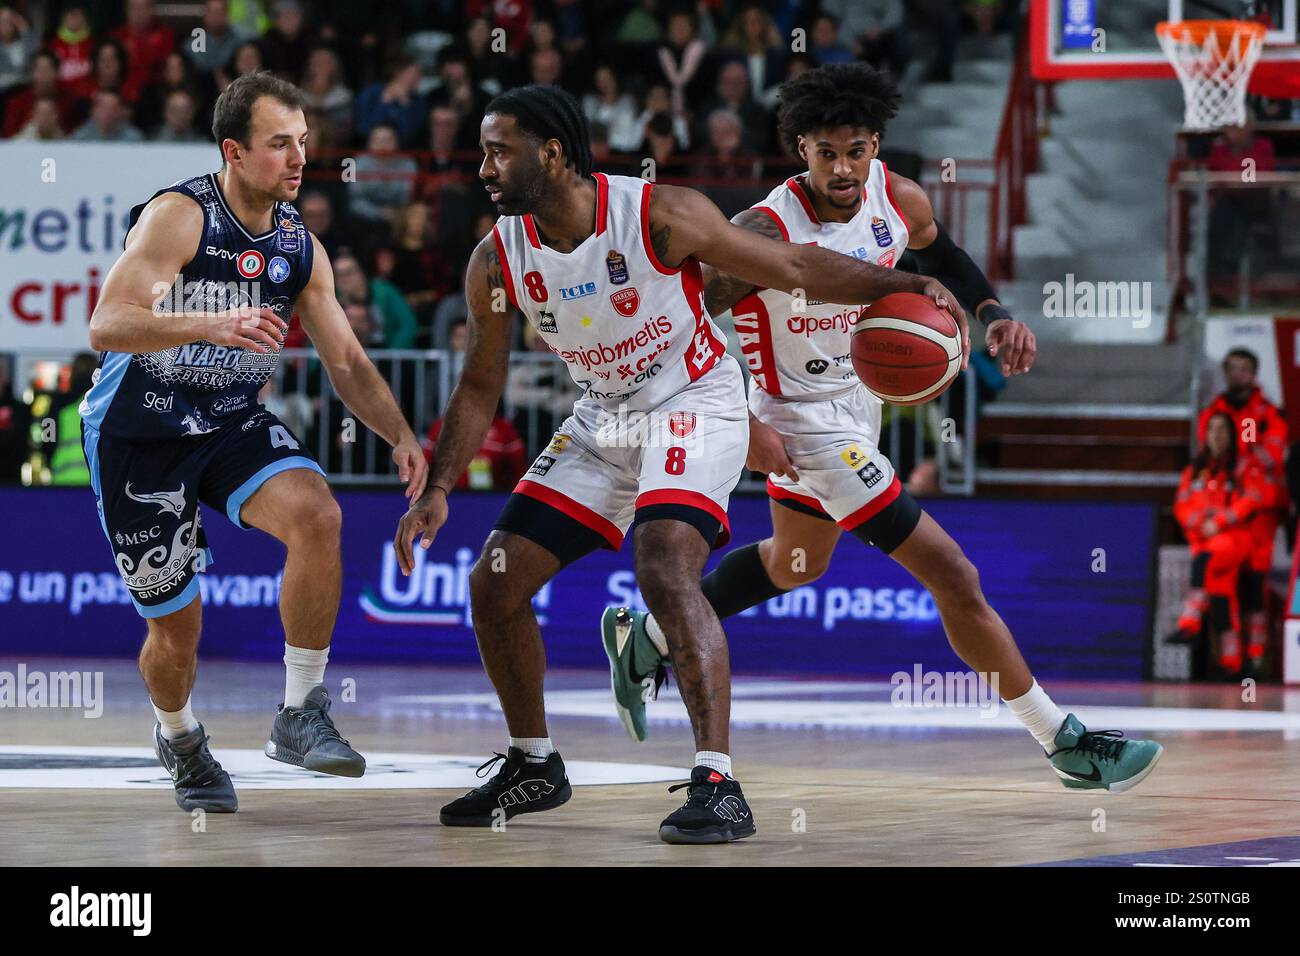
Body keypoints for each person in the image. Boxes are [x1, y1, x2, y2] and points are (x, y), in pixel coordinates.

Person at [393, 83, 962, 844]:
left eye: (499, 151)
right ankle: (534, 763)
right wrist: (436, 488)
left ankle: (718, 781)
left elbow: (791, 262)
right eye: (484, 154)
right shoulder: (496, 259)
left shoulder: (658, 212)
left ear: (552, 152)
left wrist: (907, 281)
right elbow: (479, 384)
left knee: (663, 563)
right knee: (493, 580)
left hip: (697, 397)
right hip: (606, 416)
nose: (485, 168)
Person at [599, 64, 1163, 795]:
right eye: (826, 151)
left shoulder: (897, 198)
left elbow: (942, 256)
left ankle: (640, 641)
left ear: (875, 145)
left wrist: (992, 316)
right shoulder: (762, 233)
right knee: (952, 573)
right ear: (800, 148)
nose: (843, 167)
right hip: (797, 421)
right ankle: (1065, 742)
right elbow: (670, 332)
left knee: (798, 564)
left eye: (856, 150)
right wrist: (737, 422)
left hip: (857, 403)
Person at [82, 71, 427, 814]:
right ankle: (179, 736)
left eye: (303, 141)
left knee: (320, 516)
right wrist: (207, 323)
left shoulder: (299, 246)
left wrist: (400, 435)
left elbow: (348, 362)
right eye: (280, 144)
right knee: (178, 638)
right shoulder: (179, 216)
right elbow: (107, 323)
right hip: (141, 434)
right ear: (234, 152)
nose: (299, 157)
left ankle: (300, 712)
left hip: (230, 421)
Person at [1196, 347, 1288, 668]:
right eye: (1232, 368)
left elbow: (1271, 456)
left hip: (1258, 514)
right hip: (1224, 513)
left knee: (1254, 583)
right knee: (1219, 582)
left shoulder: (1264, 413)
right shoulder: (1214, 412)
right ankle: (1228, 660)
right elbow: (1208, 455)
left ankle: (1256, 658)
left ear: (1254, 373)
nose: (1237, 374)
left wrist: (1242, 460)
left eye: (1243, 368)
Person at [1168, 411, 1266, 677]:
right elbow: (1182, 505)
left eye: (1222, 429)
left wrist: (1220, 521)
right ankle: (1232, 662)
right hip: (1203, 540)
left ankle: (1190, 618)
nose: (1216, 434)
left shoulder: (1244, 467)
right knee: (1222, 596)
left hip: (1233, 541)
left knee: (1205, 564)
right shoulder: (1194, 471)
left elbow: (1252, 499)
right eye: (1212, 429)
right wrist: (1198, 522)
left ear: (1232, 434)